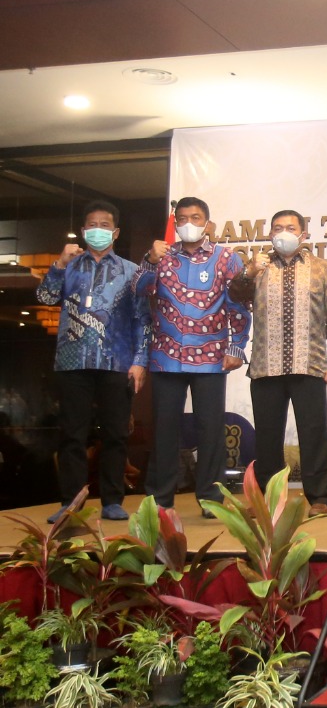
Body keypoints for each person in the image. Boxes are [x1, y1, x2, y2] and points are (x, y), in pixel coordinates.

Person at [134, 196, 249, 517]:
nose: (188, 224)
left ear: (207, 224)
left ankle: (211, 499)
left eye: (195, 218)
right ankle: (160, 499)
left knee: (210, 431)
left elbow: (239, 306)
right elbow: (139, 291)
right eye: (182, 218)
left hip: (211, 358)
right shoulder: (161, 257)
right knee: (164, 430)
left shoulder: (226, 259)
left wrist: (237, 347)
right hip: (166, 358)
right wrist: (149, 260)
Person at [230, 210, 327, 518]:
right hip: (265, 366)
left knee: (314, 433)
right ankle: (268, 500)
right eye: (278, 228)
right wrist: (248, 273)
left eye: (291, 228)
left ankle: (320, 498)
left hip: (309, 364)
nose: (284, 232)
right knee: (267, 437)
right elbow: (234, 296)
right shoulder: (258, 267)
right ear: (270, 234)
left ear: (303, 235)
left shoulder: (322, 268)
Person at [37, 200, 149, 522]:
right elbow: (45, 297)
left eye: (104, 225)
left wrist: (140, 361)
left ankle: (112, 501)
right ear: (83, 230)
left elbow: (142, 319)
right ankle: (70, 503)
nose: (98, 230)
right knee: (72, 435)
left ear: (115, 232)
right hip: (72, 362)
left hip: (116, 362)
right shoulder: (69, 267)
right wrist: (58, 264)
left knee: (116, 434)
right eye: (92, 225)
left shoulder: (131, 271)